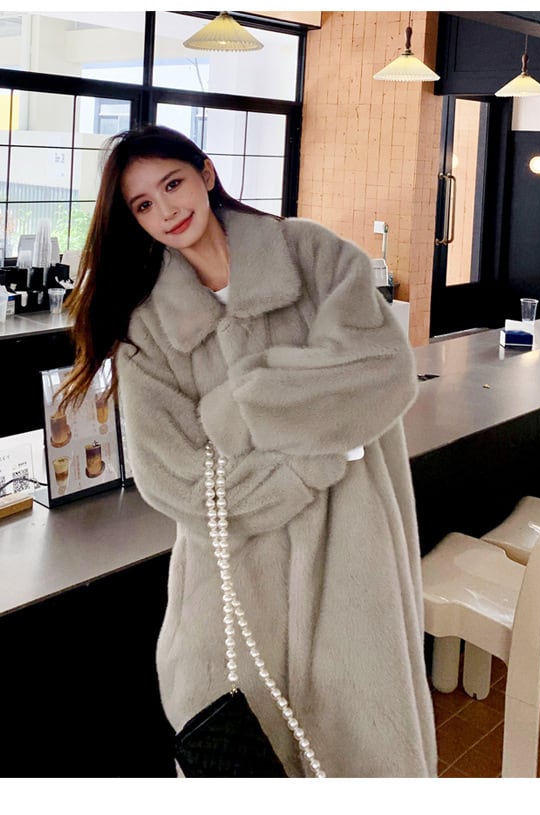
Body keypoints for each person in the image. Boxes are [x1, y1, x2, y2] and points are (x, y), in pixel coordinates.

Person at [59, 124, 437, 777]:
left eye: (173, 184)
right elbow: (170, 475)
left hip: (349, 553)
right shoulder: (148, 324)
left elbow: (383, 372)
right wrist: (314, 457)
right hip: (231, 581)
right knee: (244, 764)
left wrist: (238, 407)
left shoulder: (312, 255)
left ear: (206, 173)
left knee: (362, 751)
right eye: (144, 204)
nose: (166, 210)